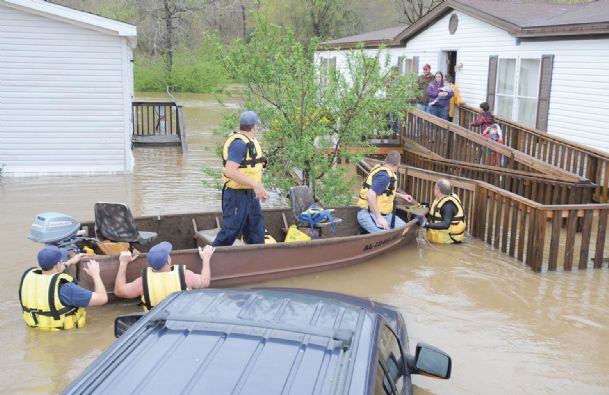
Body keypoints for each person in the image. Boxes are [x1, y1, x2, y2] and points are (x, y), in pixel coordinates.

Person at [19, 246, 108, 330]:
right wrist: (95, 274)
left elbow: (50, 275)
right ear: (58, 265)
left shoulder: (29, 279)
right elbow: (102, 298)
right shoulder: (67, 289)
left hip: (36, 327)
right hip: (63, 333)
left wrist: (70, 262)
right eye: (61, 261)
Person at [213, 110, 268, 246]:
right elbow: (230, 171)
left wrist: (259, 188)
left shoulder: (251, 141)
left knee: (256, 232)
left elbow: (251, 170)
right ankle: (210, 260)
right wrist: (255, 185)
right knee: (230, 232)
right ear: (254, 126)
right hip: (236, 195)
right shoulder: (239, 144)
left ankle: (255, 263)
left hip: (250, 194)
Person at [114, 242, 214, 311]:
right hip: (180, 320)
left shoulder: (142, 282)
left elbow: (119, 291)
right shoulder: (185, 276)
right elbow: (205, 282)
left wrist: (123, 263)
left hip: (155, 324)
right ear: (168, 261)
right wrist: (206, 258)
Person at [357, 151, 413, 233]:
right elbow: (370, 195)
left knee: (405, 229)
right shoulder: (384, 176)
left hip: (385, 215)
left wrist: (402, 196)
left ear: (386, 160)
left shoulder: (384, 171)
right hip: (368, 214)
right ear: (398, 164)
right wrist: (379, 218)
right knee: (386, 235)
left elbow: (384, 192)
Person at [420, 179, 467, 244]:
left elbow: (446, 224)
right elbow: (437, 217)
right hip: (441, 242)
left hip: (449, 243)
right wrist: (427, 209)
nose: (434, 190)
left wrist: (425, 224)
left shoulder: (448, 205)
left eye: (434, 188)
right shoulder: (441, 200)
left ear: (438, 190)